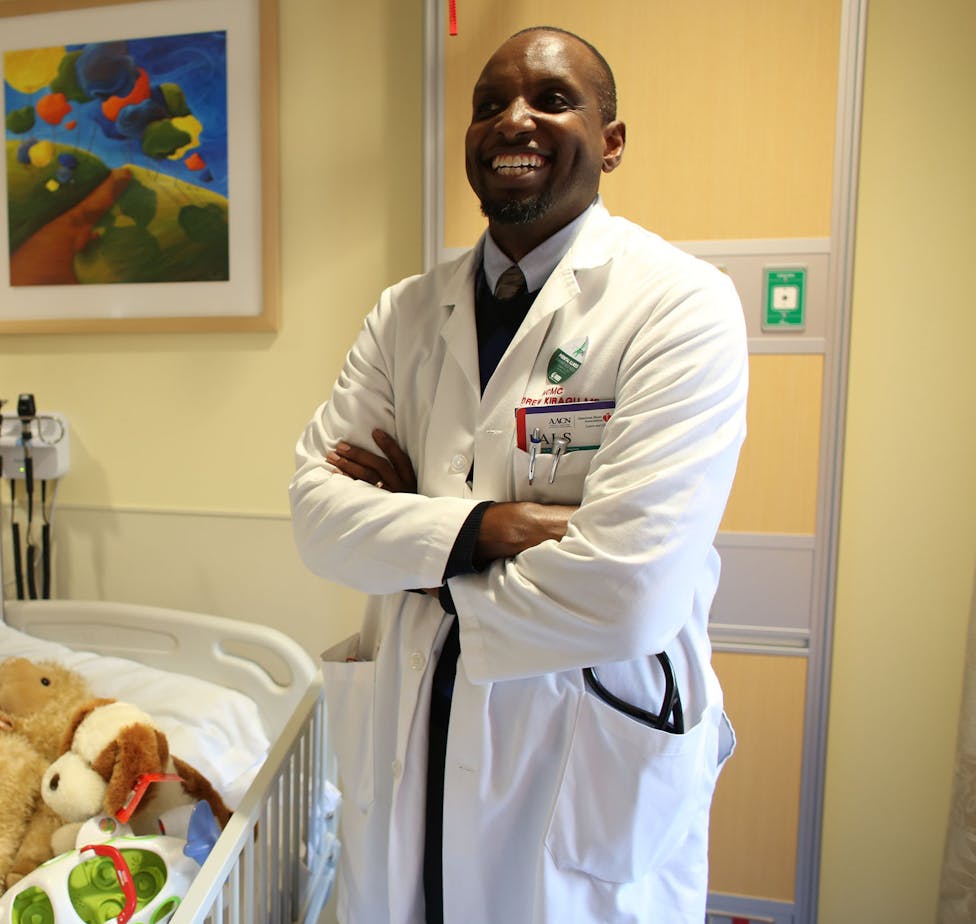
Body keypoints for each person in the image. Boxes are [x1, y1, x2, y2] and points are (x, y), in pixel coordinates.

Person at [289, 26, 746, 924]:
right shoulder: (405, 313)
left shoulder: (679, 305)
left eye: (552, 99)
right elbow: (316, 515)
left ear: (611, 141)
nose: (515, 121)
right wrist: (487, 528)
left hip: (581, 743)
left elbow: (628, 590)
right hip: (415, 723)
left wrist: (411, 536)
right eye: (489, 104)